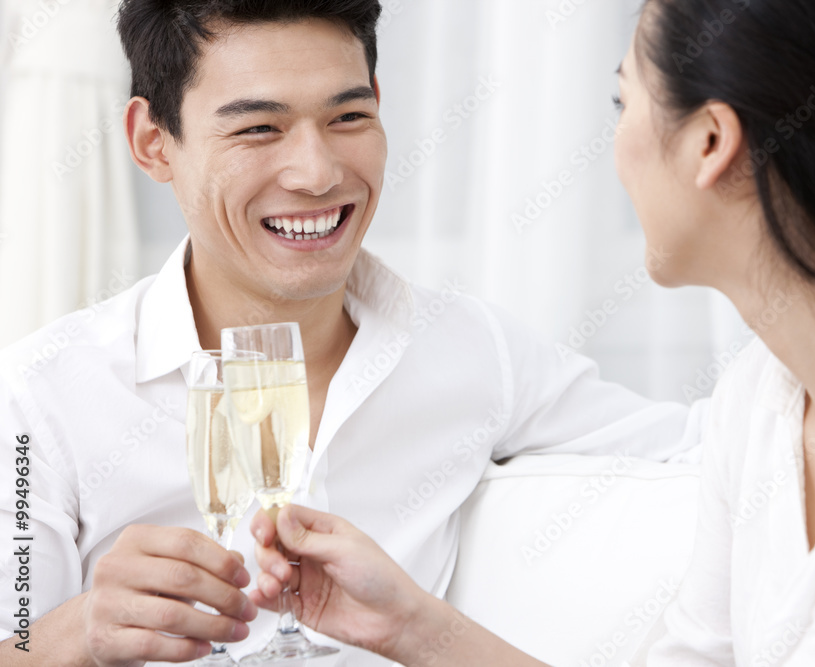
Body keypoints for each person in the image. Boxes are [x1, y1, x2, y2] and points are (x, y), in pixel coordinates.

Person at [241, 0, 815, 664]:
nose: (616, 149)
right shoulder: (763, 397)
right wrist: (409, 626)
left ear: (710, 142)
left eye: (621, 104)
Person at [0, 1, 706, 665]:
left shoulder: (469, 351)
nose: (317, 172)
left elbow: (709, 449)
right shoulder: (41, 399)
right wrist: (75, 628)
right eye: (258, 128)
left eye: (346, 117)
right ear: (153, 142)